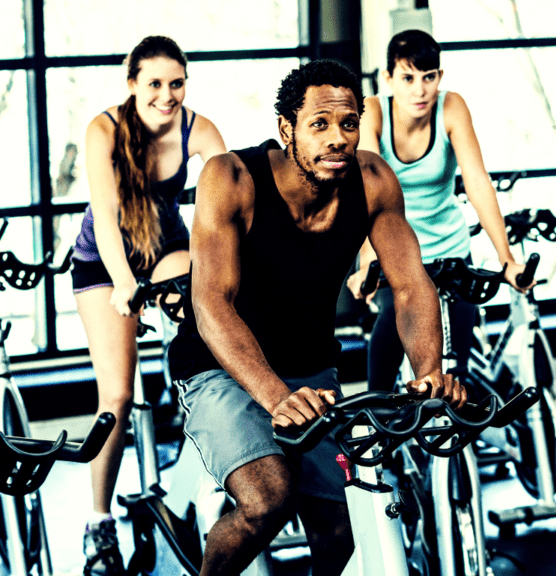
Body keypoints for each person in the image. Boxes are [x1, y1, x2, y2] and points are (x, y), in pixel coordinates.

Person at [166, 59, 467, 575]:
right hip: (220, 369)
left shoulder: (371, 180)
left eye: (349, 123)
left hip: (312, 375)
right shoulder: (232, 178)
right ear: (287, 129)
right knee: (269, 499)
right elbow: (211, 303)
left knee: (344, 530)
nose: (338, 138)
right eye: (320, 124)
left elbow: (412, 286)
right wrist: (276, 397)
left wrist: (429, 372)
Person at [69, 35, 226, 576]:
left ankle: (195, 475)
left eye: (176, 83)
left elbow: (227, 196)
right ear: (132, 83)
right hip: (103, 265)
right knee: (114, 394)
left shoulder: (197, 129)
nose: (167, 95)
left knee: (212, 350)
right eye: (154, 83)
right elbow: (107, 217)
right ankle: (98, 520)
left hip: (166, 251)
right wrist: (121, 283)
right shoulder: (104, 130)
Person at [346, 29, 531, 394]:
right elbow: (368, 195)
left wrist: (506, 258)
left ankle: (455, 441)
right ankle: (379, 424)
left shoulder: (451, 106)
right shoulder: (374, 114)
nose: (420, 90)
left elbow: (477, 183)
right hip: (394, 252)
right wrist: (367, 263)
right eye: (408, 78)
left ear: (439, 78)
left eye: (429, 77)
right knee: (391, 324)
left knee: (454, 364)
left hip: (450, 248)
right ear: (388, 79)